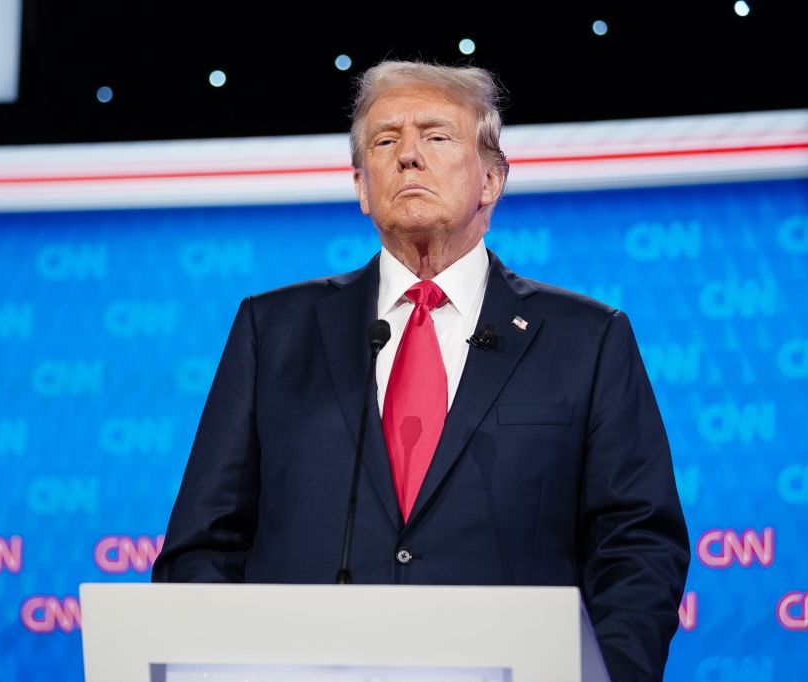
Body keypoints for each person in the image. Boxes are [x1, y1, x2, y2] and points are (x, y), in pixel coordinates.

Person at [153, 60, 690, 681]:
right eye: (385, 141)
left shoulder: (587, 339)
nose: (408, 156)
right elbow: (203, 546)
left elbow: (638, 545)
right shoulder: (272, 331)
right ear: (361, 186)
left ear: (491, 178)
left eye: (436, 136)